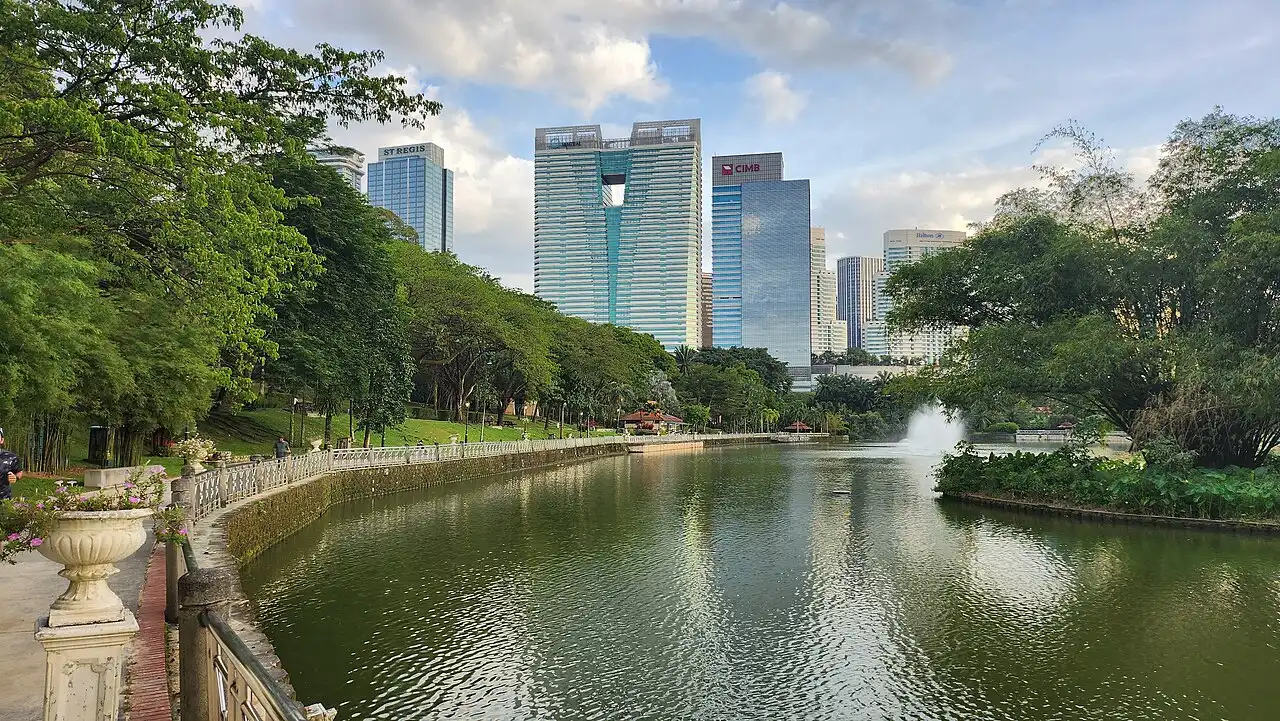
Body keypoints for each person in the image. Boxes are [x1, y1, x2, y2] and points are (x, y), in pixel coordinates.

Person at [0, 428, 24, 501]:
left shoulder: (11, 457)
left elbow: (19, 472)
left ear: (2, 440)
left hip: (4, 499)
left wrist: (15, 478)